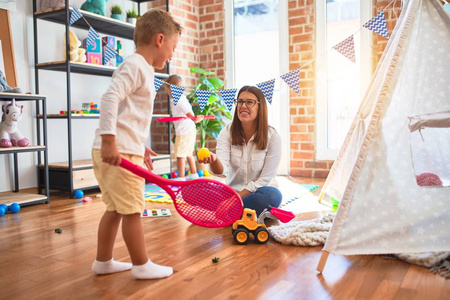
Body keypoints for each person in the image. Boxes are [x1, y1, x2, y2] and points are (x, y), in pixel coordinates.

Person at [91, 9, 182, 280]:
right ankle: (142, 265)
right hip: (116, 151)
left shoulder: (142, 69)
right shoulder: (136, 66)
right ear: (160, 39)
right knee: (132, 208)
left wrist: (139, 146)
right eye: (173, 48)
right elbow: (110, 98)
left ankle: (103, 261)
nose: (172, 54)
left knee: (116, 208)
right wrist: (110, 141)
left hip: (121, 148)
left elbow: (128, 115)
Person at [200, 85, 282, 216]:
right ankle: (239, 212)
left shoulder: (273, 136)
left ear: (260, 108)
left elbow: (264, 179)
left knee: (273, 195)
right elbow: (222, 171)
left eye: (250, 102)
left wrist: (234, 200)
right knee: (194, 190)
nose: (243, 105)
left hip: (258, 193)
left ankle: (229, 210)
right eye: (240, 101)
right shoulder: (226, 133)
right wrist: (214, 160)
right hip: (230, 193)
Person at [165, 75, 203, 180]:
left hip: (184, 131)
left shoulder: (179, 100)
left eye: (168, 91)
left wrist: (196, 118)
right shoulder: (181, 99)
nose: (168, 93)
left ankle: (181, 177)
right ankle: (194, 174)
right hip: (188, 130)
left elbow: (191, 116)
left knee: (180, 154)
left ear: (171, 89)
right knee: (188, 153)